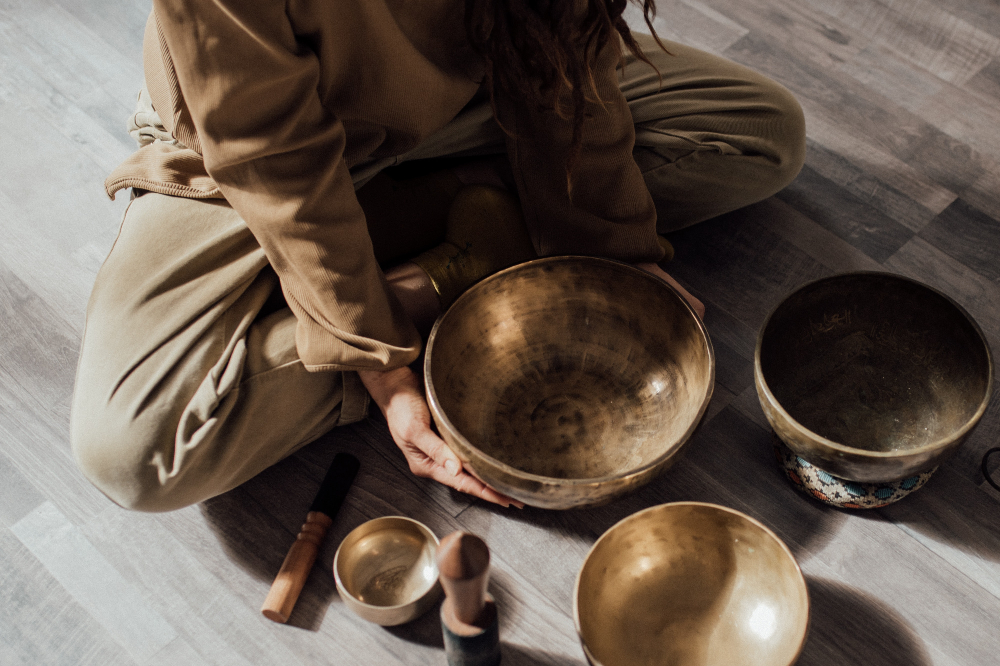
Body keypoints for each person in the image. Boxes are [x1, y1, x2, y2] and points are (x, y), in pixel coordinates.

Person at [70, 0, 805, 512]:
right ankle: (458, 261)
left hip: (468, 108)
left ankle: (435, 237)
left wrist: (609, 249)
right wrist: (379, 362)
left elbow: (561, 48)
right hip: (246, 155)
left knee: (760, 133)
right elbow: (275, 161)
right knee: (136, 452)